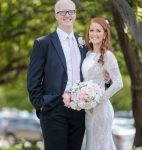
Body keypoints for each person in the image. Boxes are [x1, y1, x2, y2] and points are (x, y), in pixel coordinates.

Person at [27, 0, 111, 149]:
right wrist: (41, 104)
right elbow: (33, 79)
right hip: (53, 108)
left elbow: (92, 72)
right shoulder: (43, 44)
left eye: (71, 11)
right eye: (62, 12)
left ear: (75, 14)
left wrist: (106, 80)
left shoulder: (85, 44)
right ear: (56, 15)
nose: (67, 15)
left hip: (79, 110)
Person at [82, 17, 123, 150]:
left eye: (98, 31)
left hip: (101, 108)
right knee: (89, 144)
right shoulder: (88, 54)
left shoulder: (108, 55)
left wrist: (99, 99)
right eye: (91, 30)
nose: (94, 33)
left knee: (100, 145)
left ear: (105, 34)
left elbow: (118, 82)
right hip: (86, 109)